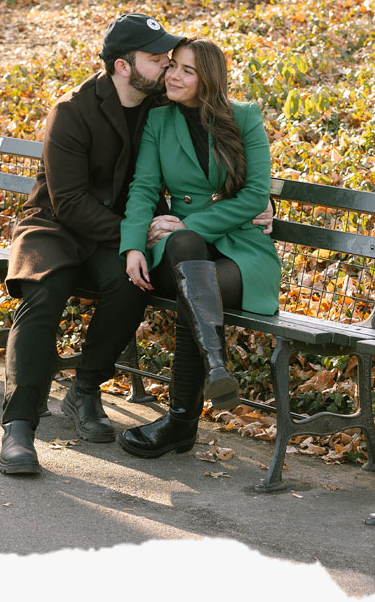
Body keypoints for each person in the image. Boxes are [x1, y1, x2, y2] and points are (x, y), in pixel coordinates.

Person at [0, 13, 184, 475]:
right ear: (123, 66)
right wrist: (137, 233)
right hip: (55, 228)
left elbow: (213, 151)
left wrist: (256, 203)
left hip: (117, 233)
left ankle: (84, 389)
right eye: (156, 57)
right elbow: (69, 202)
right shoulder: (72, 110)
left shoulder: (163, 107)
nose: (166, 64)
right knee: (42, 295)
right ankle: (18, 428)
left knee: (133, 282)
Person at [118, 38, 281, 459]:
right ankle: (215, 366)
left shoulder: (244, 117)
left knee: (196, 287)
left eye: (186, 71)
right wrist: (134, 246)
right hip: (180, 250)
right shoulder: (159, 120)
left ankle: (180, 422)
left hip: (241, 249)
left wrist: (190, 222)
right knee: (188, 257)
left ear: (208, 79)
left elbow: (255, 194)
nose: (173, 75)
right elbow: (144, 188)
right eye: (173, 66)